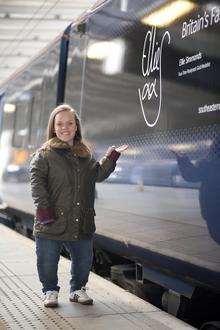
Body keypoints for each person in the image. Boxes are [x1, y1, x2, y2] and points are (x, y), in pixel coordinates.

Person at [29, 104, 128, 307]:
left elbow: (97, 175)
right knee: (47, 261)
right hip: (51, 220)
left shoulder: (85, 155)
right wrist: (44, 211)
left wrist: (111, 157)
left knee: (83, 260)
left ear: (76, 128)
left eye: (69, 123)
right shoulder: (44, 154)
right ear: (53, 128)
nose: (65, 127)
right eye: (60, 124)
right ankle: (49, 291)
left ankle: (77, 290)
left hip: (80, 220)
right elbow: (37, 185)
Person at [171, 135, 220, 245]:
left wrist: (182, 159)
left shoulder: (209, 163)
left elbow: (191, 175)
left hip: (213, 210)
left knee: (217, 234)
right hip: (213, 210)